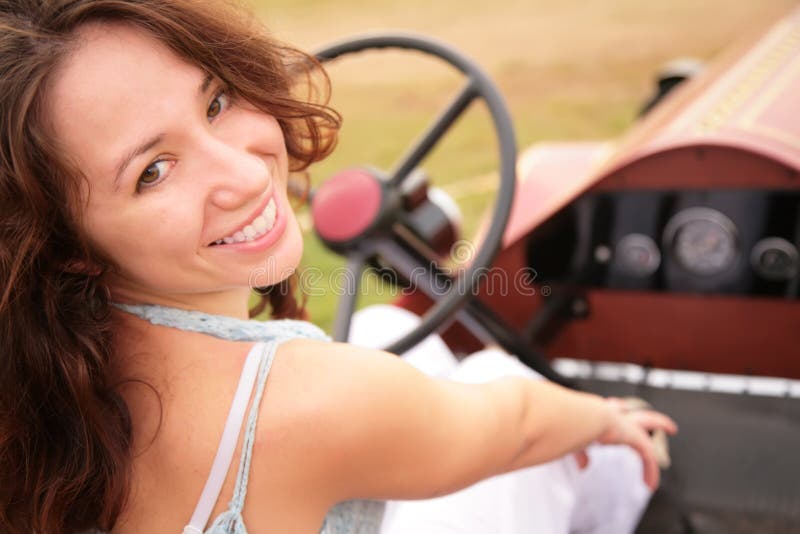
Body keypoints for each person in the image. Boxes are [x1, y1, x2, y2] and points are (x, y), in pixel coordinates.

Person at [0, 1, 677, 533]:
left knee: (384, 323)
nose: (243, 173)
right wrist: (603, 418)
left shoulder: (44, 386)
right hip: (349, 422)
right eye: (153, 171)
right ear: (65, 241)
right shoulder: (307, 403)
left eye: (215, 102)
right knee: (503, 380)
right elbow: (519, 423)